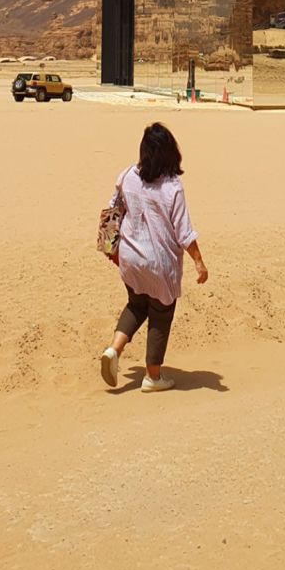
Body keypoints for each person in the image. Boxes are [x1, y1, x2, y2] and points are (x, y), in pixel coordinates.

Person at [100, 122, 208, 393]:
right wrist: (199, 261)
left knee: (136, 305)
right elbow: (183, 231)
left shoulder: (128, 175)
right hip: (159, 263)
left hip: (130, 257)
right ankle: (153, 376)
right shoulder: (172, 187)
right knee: (161, 313)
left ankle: (114, 349)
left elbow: (113, 207)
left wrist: (111, 247)